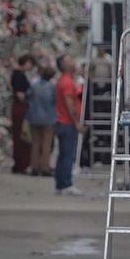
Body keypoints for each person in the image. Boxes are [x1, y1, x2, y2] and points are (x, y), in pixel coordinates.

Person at [54, 55, 83, 195]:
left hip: (62, 122)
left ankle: (60, 183)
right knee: (68, 155)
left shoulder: (66, 80)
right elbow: (69, 104)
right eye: (70, 60)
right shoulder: (67, 82)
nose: (74, 61)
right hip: (67, 123)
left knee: (63, 154)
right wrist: (77, 122)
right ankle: (66, 184)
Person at [25, 63, 57, 177]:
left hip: (34, 117)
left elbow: (27, 96)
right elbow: (55, 101)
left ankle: (34, 166)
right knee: (47, 143)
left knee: (35, 143)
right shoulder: (52, 87)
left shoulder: (34, 85)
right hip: (48, 118)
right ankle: (45, 167)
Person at [10, 53, 33, 174]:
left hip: (20, 108)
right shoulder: (19, 75)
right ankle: (20, 163)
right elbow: (20, 93)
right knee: (21, 135)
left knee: (21, 135)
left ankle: (21, 163)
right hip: (20, 108)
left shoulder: (19, 74)